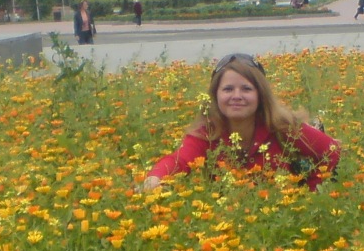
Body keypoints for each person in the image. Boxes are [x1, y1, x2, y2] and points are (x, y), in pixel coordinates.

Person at [138, 53, 340, 193]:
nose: (237, 96)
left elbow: (333, 151)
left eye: (246, 89)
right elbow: (179, 160)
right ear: (215, 96)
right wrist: (155, 178)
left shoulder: (283, 127)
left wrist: (311, 192)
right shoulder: (207, 134)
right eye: (228, 89)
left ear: (261, 95)